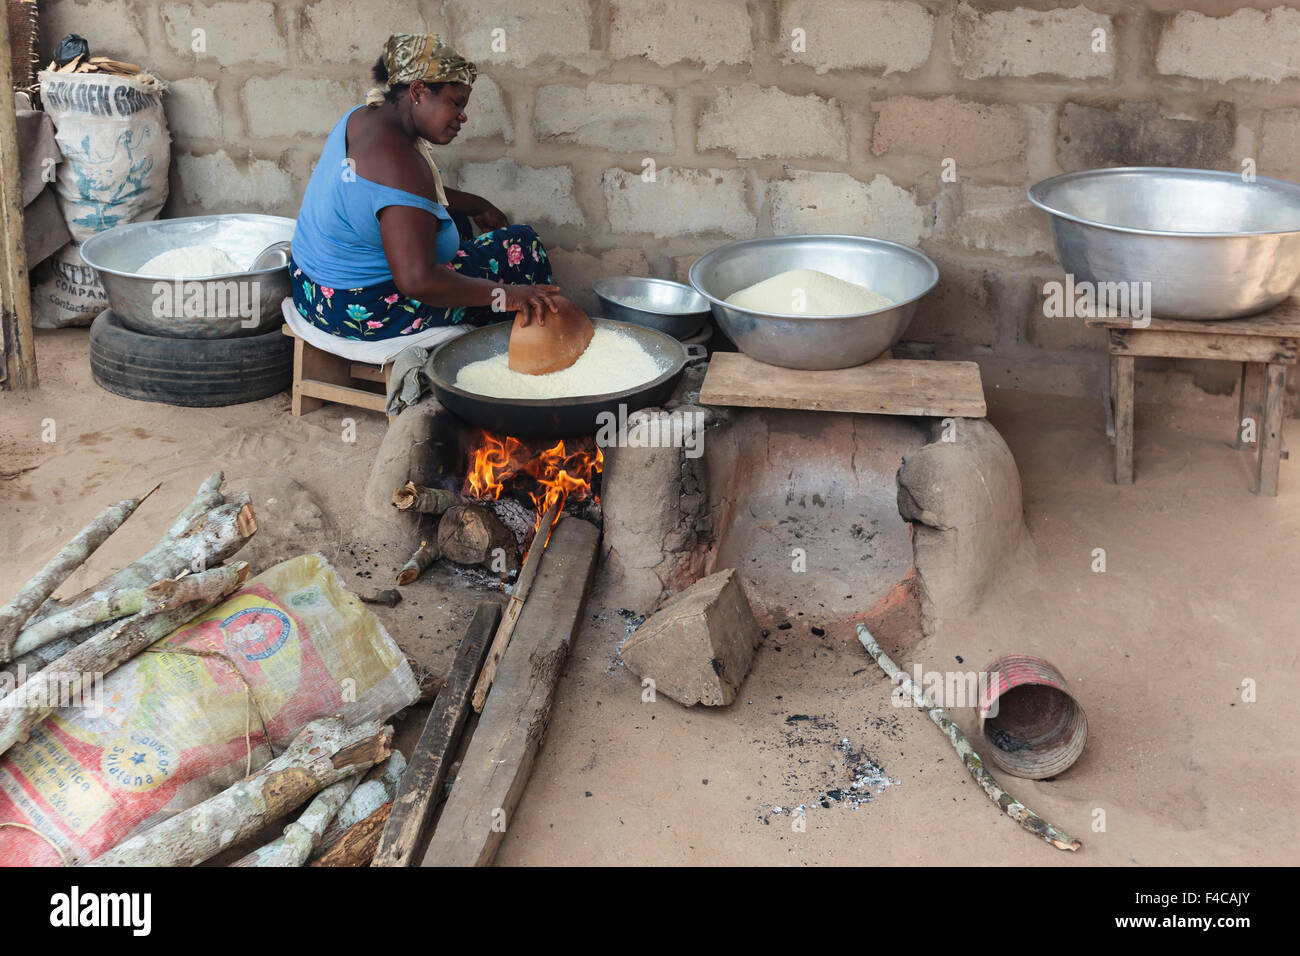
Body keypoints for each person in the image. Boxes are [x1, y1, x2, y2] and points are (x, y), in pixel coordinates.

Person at [289, 33, 563, 350]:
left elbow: (389, 196)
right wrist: (512, 296)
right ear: (419, 90)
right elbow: (417, 282)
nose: (462, 116)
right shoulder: (402, 164)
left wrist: (476, 204)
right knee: (521, 246)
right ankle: (524, 355)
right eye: (455, 103)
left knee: (455, 220)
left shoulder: (362, 117)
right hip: (366, 313)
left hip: (312, 291)